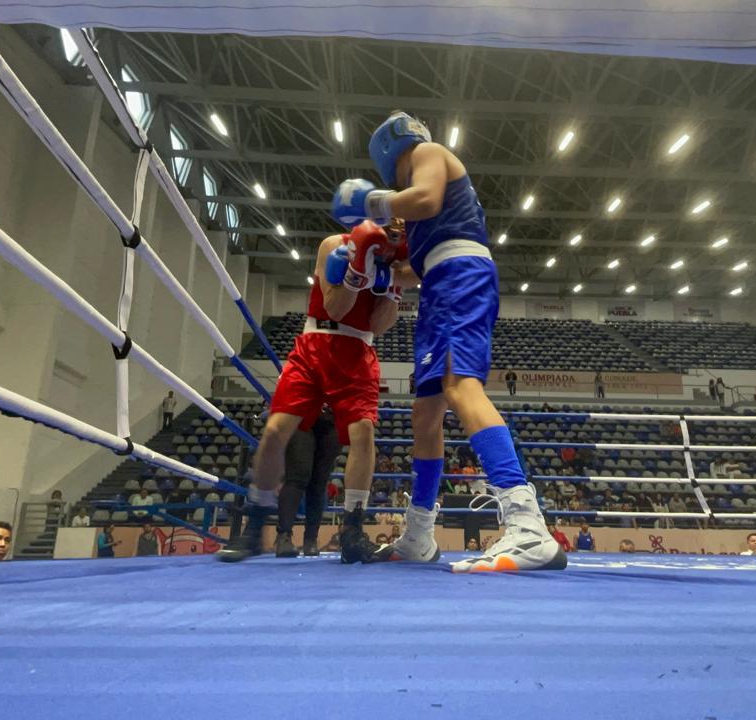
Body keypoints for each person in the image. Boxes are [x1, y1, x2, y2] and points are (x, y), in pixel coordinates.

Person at [334, 111, 564, 572]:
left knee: (462, 386)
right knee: (425, 413)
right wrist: (372, 268)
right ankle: (419, 533)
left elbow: (426, 196)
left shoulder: (428, 155)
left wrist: (372, 202)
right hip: (441, 286)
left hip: (463, 276)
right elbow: (414, 270)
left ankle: (528, 526)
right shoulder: (417, 224)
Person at [216, 219, 403, 564]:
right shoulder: (335, 245)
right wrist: (357, 267)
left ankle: (351, 530)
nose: (396, 231)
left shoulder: (395, 265)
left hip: (358, 350)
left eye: (402, 227)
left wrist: (392, 286)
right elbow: (334, 308)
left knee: (363, 433)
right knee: (275, 431)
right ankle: (256, 526)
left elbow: (378, 325)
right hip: (316, 343)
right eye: (391, 222)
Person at [274, 408, 339, 558]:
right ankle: (284, 536)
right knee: (297, 475)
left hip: (333, 416)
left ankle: (311, 539)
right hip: (302, 412)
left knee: (320, 481)